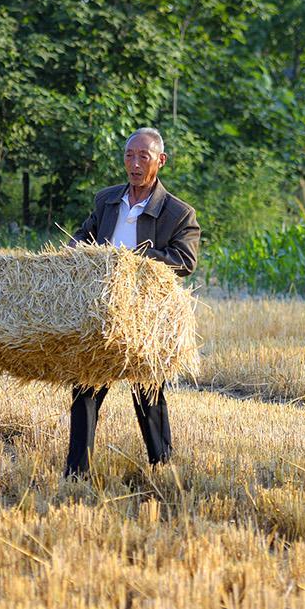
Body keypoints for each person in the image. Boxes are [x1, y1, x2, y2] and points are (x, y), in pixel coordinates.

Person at [63, 127, 201, 478]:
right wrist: (75, 247)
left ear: (160, 161)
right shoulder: (107, 199)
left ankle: (162, 467)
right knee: (86, 391)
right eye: (129, 155)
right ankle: (76, 472)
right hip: (102, 313)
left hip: (144, 317)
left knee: (148, 395)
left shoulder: (178, 213)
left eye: (143, 156)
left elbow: (184, 260)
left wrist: (134, 259)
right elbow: (85, 233)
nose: (135, 163)